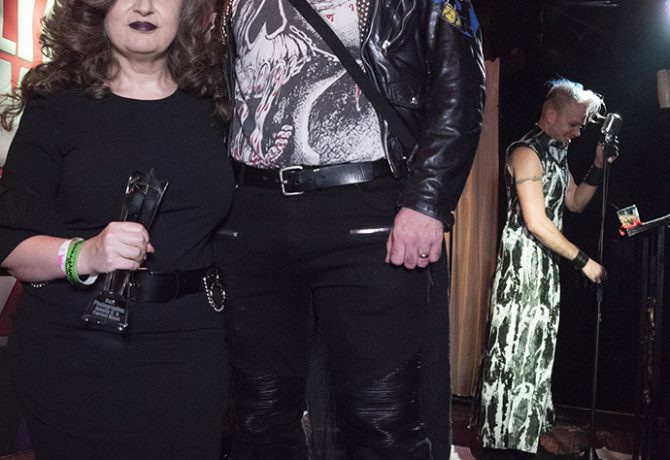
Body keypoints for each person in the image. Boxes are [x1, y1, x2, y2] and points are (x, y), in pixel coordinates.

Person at [214, 0, 485, 457]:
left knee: (380, 421)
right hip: (252, 212)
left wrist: (427, 202)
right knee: (256, 419)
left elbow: (460, 89)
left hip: (366, 212)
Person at [0, 0, 233, 458]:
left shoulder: (215, 103)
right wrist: (84, 254)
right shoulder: (57, 104)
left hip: (191, 351)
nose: (144, 6)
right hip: (73, 352)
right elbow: (7, 239)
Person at [472, 78, 617, 460]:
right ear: (550, 113)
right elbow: (536, 222)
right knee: (514, 353)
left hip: (544, 269)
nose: (578, 132)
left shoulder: (556, 154)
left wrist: (598, 166)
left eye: (581, 125)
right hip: (521, 269)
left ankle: (524, 438)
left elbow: (574, 202)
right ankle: (500, 443)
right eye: (573, 123)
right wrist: (584, 262)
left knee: (535, 355)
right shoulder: (525, 152)